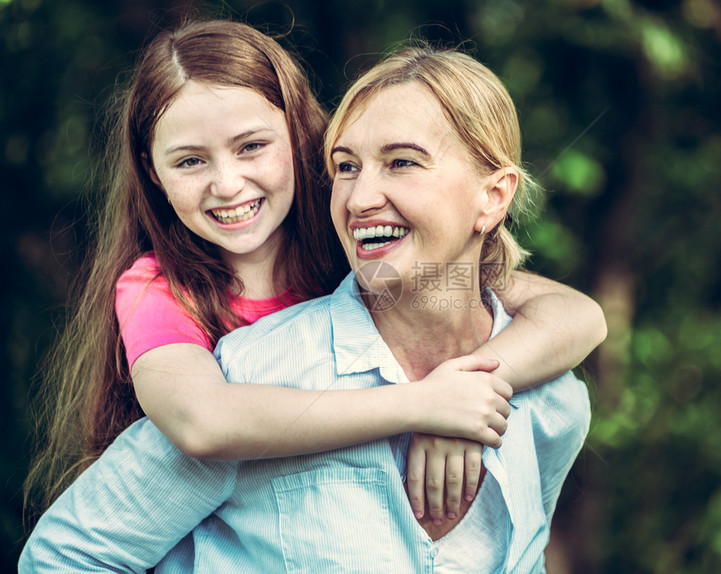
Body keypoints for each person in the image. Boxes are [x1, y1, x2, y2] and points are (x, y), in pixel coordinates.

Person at [20, 42, 597, 573]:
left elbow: (576, 315)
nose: (362, 196)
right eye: (346, 167)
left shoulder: (553, 404)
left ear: (494, 196)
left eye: (401, 162)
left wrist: (471, 388)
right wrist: (424, 405)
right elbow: (195, 430)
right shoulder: (228, 357)